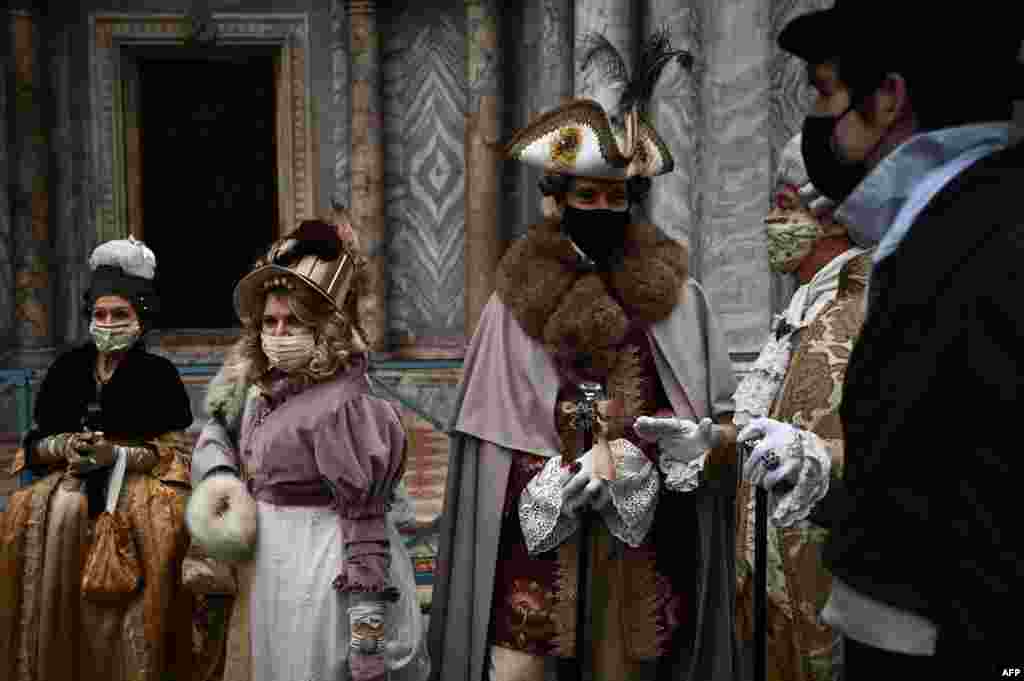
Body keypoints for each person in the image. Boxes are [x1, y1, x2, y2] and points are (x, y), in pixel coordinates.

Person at [429, 31, 742, 681]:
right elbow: (488, 448)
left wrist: (647, 459)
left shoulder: (682, 302)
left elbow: (707, 431)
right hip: (539, 536)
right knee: (515, 672)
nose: (603, 208)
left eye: (616, 197)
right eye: (587, 196)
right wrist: (543, 483)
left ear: (635, 201)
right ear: (559, 199)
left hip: (640, 538)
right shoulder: (511, 305)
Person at [739, 2, 1024, 676]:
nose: (819, 124)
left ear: (889, 97)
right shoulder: (948, 228)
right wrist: (827, 487)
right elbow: (933, 466)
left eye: (825, 91)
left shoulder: (977, 243)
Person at [187, 216, 429, 681]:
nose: (278, 333)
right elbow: (220, 434)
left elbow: (365, 525)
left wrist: (367, 637)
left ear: (323, 329)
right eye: (270, 322)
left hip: (323, 564)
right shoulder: (262, 390)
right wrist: (223, 480)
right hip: (274, 564)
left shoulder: (347, 406)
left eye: (293, 322)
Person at [0, 237, 199, 681]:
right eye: (100, 315)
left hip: (134, 488)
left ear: (140, 319)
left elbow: (170, 452)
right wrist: (63, 447)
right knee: (37, 511)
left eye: (119, 315)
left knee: (160, 524)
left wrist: (116, 455)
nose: (107, 324)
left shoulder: (158, 376)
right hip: (68, 488)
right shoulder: (67, 368)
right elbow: (33, 444)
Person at [731, 132, 871, 681]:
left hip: (829, 577)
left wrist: (818, 463)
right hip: (772, 579)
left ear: (831, 218)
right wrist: (713, 443)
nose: (770, 220)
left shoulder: (865, 308)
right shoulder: (805, 304)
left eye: (784, 206)